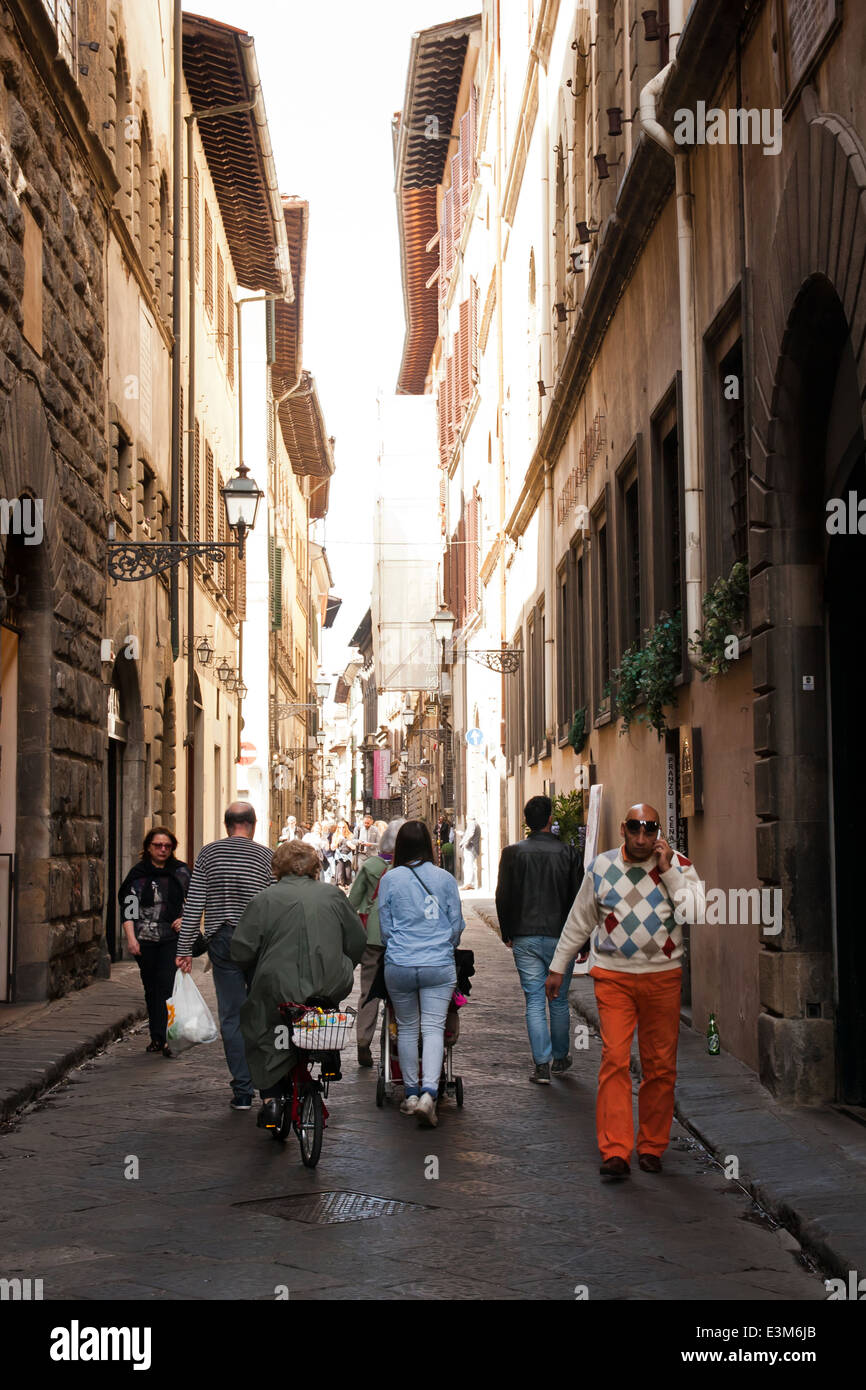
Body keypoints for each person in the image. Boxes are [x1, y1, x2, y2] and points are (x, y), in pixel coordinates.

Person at [545, 804, 705, 1179]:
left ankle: (651, 1146)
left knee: (660, 1066)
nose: (642, 839)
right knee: (615, 1058)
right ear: (623, 829)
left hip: (662, 978)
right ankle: (615, 1150)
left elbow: (696, 912)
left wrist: (668, 874)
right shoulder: (601, 867)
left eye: (649, 831)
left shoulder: (678, 864)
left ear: (658, 833)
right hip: (613, 977)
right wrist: (558, 966)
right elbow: (580, 918)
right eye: (635, 830)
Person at [230, 839, 367, 1128]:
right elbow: (357, 941)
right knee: (319, 1012)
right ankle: (327, 1059)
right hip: (329, 984)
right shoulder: (333, 895)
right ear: (315, 867)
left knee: (263, 1026)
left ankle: (270, 1099)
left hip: (278, 987)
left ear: (277, 868)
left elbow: (242, 950)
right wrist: (341, 966)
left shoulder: (265, 899)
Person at [175, 802, 274, 1111]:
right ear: (253, 825)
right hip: (257, 942)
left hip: (223, 941)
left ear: (226, 824)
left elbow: (194, 904)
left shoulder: (208, 854)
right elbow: (273, 904)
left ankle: (243, 1092)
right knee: (262, 1014)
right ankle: (268, 1089)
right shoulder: (265, 856)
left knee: (231, 1016)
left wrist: (184, 949)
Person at [378, 820, 465, 1127]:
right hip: (437, 965)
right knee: (432, 1028)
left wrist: (402, 945)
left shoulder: (390, 879)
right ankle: (430, 1093)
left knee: (406, 1027)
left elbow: (385, 929)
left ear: (400, 846)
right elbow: (457, 926)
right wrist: (442, 943)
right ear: (429, 845)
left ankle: (411, 1095)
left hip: (400, 964)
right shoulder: (444, 878)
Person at [495, 795, 584, 1084]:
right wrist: (582, 941)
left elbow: (503, 895)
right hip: (562, 938)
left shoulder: (511, 853)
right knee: (558, 1000)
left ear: (527, 822)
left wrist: (507, 931)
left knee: (534, 999)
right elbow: (579, 901)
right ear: (550, 819)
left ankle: (541, 1065)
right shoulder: (569, 854)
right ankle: (560, 1058)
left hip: (525, 936)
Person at [119, 827, 191, 1058]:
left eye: (167, 846)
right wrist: (131, 939)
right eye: (158, 845)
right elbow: (128, 909)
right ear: (148, 847)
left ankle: (171, 1037)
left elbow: (197, 899)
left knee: (169, 987)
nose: (162, 849)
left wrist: (185, 919)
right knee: (151, 989)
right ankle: (156, 1036)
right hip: (145, 940)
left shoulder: (181, 872)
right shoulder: (137, 875)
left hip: (172, 939)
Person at [348, 817, 403, 1067]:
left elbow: (353, 901)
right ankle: (402, 1041)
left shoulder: (370, 866)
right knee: (402, 993)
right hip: (402, 938)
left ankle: (363, 1041)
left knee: (369, 992)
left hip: (372, 937)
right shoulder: (408, 869)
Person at [332, 820, 356, 890]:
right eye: (339, 827)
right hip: (339, 857)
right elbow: (332, 848)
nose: (341, 829)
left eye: (343, 827)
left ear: (346, 827)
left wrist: (348, 843)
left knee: (348, 874)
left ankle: (346, 887)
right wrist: (336, 843)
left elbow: (354, 847)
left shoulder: (350, 835)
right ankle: (341, 889)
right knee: (340, 874)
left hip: (348, 857)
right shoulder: (335, 835)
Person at [459, 816, 481, 890]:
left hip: (470, 847)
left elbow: (471, 834)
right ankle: (470, 883)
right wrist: (463, 834)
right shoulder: (475, 824)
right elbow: (469, 834)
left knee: (468, 865)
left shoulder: (472, 823)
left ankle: (469, 884)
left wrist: (465, 842)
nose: (466, 821)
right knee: (469, 865)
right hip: (472, 847)